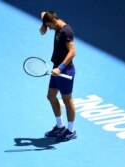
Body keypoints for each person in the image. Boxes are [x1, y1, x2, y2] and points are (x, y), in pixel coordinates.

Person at [39, 11, 77, 142]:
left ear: (55, 21)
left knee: (67, 100)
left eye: (50, 26)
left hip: (65, 71)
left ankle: (71, 131)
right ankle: (60, 127)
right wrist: (43, 24)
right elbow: (43, 13)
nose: (49, 29)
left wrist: (60, 68)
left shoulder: (67, 32)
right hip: (56, 69)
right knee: (51, 96)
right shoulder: (57, 25)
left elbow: (72, 52)